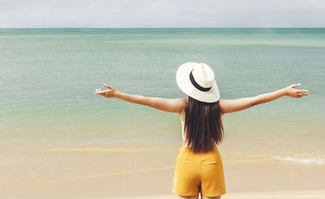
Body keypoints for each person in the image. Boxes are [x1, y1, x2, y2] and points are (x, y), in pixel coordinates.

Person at [94, 62, 309, 199]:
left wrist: (118, 95)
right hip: (211, 162)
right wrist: (283, 92)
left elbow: (149, 101)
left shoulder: (182, 106)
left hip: (187, 162)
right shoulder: (220, 107)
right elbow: (254, 101)